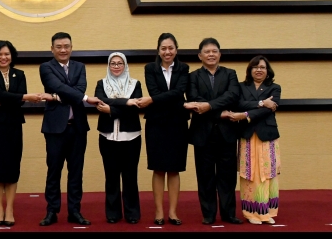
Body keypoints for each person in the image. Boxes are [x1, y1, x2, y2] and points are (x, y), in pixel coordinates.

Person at [38, 32, 101, 226]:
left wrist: (58, 96)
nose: (63, 50)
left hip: (78, 128)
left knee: (76, 172)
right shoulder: (45, 67)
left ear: (71, 47)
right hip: (55, 128)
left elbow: (78, 89)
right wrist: (78, 96)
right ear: (52, 49)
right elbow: (55, 85)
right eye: (59, 46)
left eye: (66, 46)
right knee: (53, 171)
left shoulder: (80, 67)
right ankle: (52, 211)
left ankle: (75, 211)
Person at [0, 40, 43, 226]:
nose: (3, 57)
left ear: (12, 56)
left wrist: (0, 101)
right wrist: (22, 97)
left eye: (6, 54)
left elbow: (11, 100)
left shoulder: (19, 74)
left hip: (13, 125)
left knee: (12, 168)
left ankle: (10, 209)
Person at [184, 37, 242, 225]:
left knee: (227, 177)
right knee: (205, 176)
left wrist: (208, 106)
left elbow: (232, 96)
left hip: (227, 133)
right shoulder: (192, 76)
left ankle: (228, 214)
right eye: (207, 52)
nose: (211, 54)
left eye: (214, 51)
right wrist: (219, 112)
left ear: (220, 54)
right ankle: (208, 214)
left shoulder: (230, 74)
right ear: (200, 55)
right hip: (203, 133)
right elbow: (194, 98)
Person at [222, 55, 281, 225]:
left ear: (267, 70)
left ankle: (267, 212)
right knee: (249, 173)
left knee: (267, 173)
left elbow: (269, 110)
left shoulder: (275, 88)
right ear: (250, 70)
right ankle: (251, 213)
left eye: (262, 67)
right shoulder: (241, 87)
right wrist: (262, 102)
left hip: (267, 136)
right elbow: (238, 104)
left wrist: (246, 114)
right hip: (247, 135)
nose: (259, 70)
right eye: (255, 67)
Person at [140, 33, 190, 226]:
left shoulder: (184, 68)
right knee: (158, 168)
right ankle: (159, 212)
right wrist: (158, 98)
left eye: (171, 48)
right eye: (163, 48)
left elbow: (179, 92)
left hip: (177, 123)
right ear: (158, 50)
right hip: (156, 123)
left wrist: (154, 100)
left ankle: (173, 212)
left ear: (176, 49)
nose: (167, 52)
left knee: (175, 169)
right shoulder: (150, 68)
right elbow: (155, 91)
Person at [94, 52, 143, 224]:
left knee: (130, 176)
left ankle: (132, 213)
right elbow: (101, 100)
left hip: (131, 136)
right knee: (111, 176)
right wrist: (126, 102)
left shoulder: (135, 83)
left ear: (125, 65)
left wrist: (112, 109)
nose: (116, 66)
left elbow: (134, 107)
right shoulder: (102, 83)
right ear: (109, 66)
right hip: (107, 136)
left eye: (119, 63)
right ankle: (113, 213)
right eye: (113, 63)